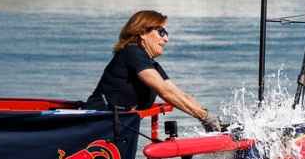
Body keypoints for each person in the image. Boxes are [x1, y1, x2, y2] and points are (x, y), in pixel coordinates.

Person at [89, 10, 218, 129]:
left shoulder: (150, 63)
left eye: (166, 33)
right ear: (142, 32)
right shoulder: (132, 52)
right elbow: (165, 92)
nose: (166, 39)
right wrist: (204, 118)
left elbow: (179, 94)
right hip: (97, 120)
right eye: (161, 32)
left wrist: (209, 117)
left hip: (117, 121)